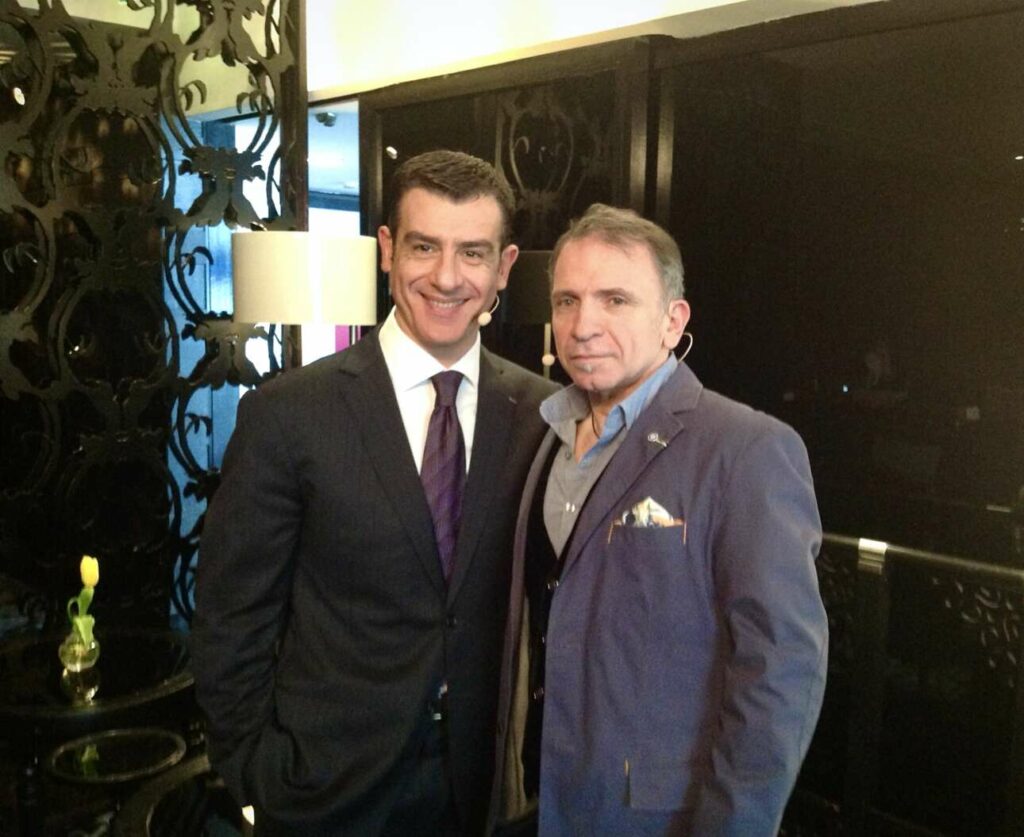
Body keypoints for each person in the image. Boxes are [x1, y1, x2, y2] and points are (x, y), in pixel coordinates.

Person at [192, 150, 558, 836]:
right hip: (323, 788)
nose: (447, 277)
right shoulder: (289, 413)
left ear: (504, 266)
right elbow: (231, 616)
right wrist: (255, 771)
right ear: (387, 250)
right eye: (424, 246)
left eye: (473, 253)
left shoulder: (541, 414)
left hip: (479, 789)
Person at [489, 204, 828, 836]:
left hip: (658, 818)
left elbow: (780, 671)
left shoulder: (747, 449)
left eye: (615, 300)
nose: (583, 325)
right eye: (567, 301)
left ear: (673, 321)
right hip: (538, 801)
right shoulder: (543, 435)